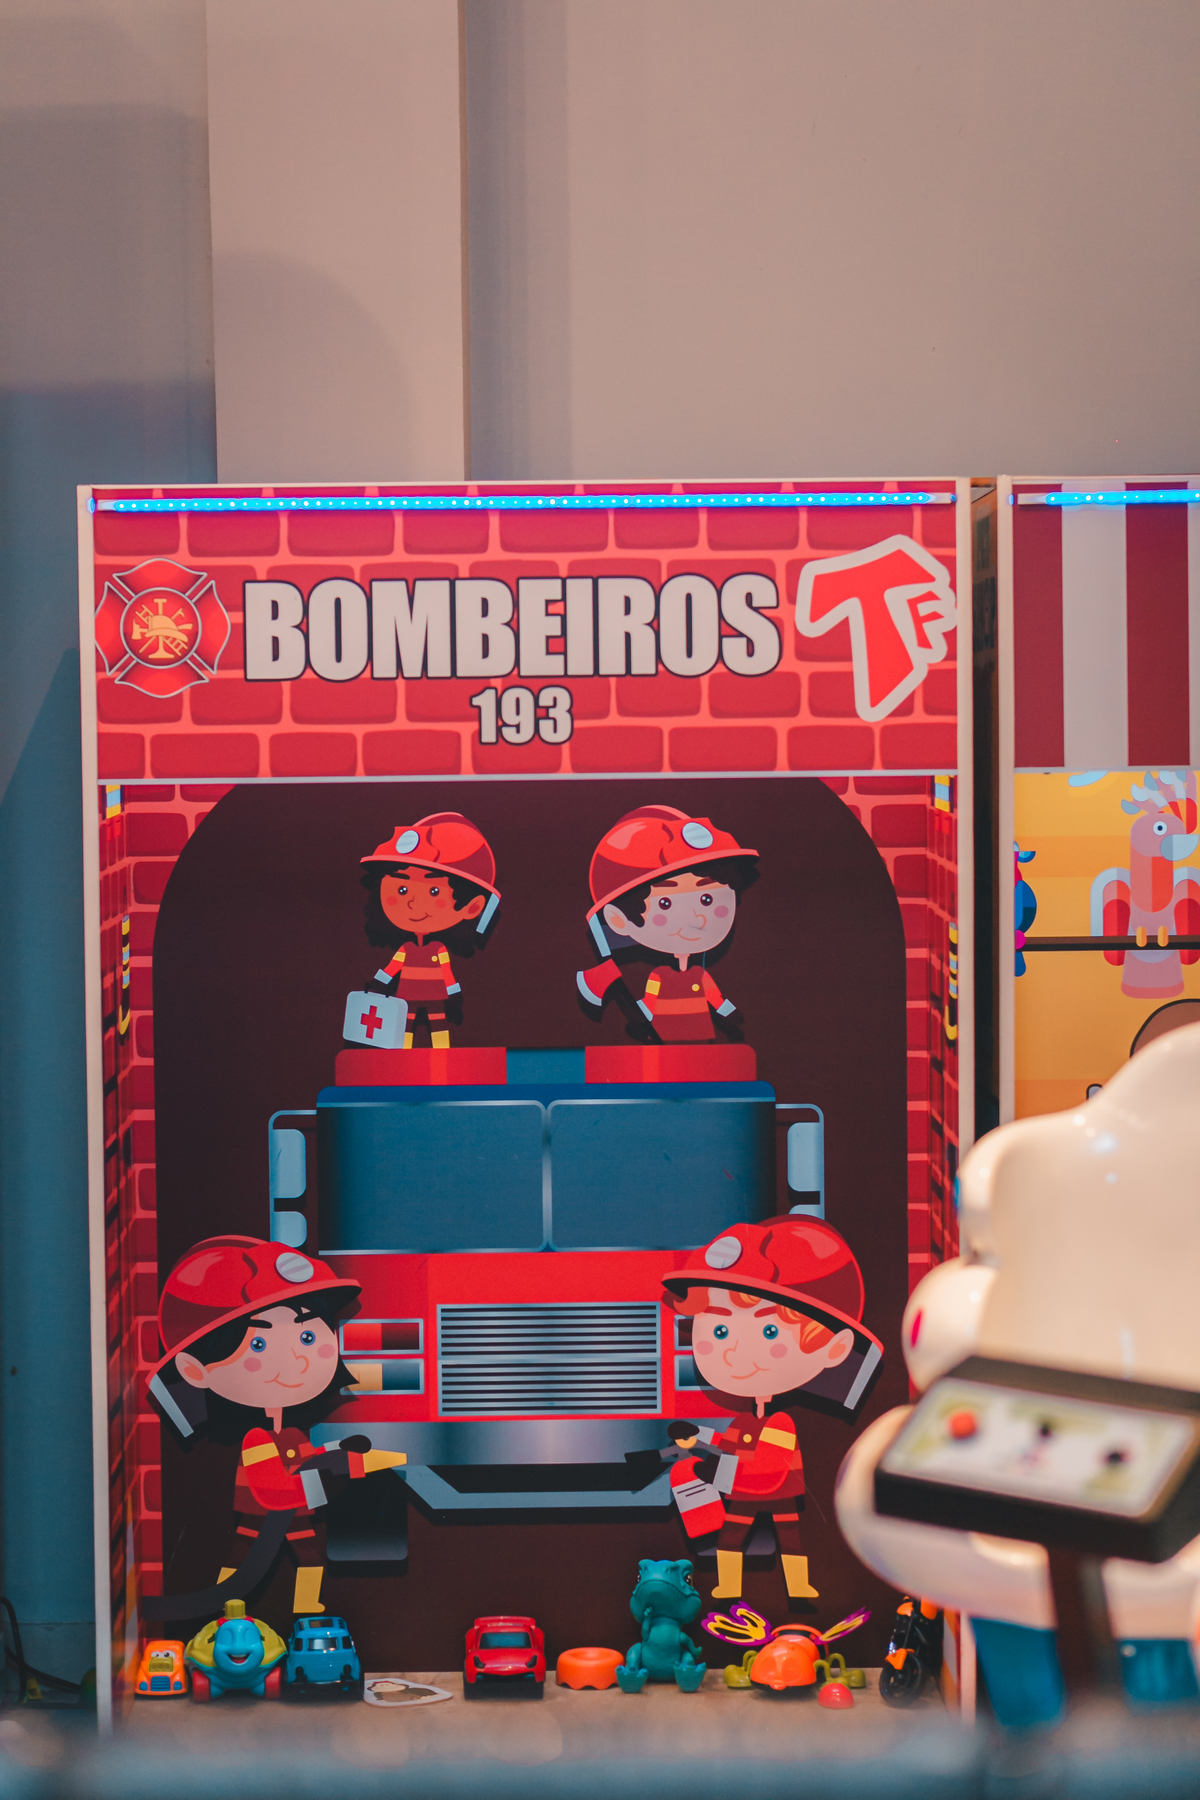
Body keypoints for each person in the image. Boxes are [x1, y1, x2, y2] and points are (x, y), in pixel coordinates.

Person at [147, 1236, 404, 1618]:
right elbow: (272, 1488)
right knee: (246, 1556)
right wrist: (329, 1471)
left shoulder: (292, 1434)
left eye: (307, 1336)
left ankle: (301, 1606)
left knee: (305, 1555)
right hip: (265, 1514)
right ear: (194, 1369)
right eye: (259, 1345)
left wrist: (346, 1459)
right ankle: (229, 1609)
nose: (297, 1361)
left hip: (290, 1512)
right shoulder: (255, 1439)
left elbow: (309, 1460)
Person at [662, 1218, 882, 1604]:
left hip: (776, 1491)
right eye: (718, 1331)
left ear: (834, 1348)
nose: (734, 1352)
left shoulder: (781, 1422)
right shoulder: (746, 1419)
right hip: (746, 1490)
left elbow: (768, 1465)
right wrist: (699, 1439)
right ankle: (730, 1586)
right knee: (734, 1536)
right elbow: (733, 1441)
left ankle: (798, 1586)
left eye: (769, 1331)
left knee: (788, 1536)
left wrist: (715, 1468)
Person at [577, 805, 758, 1041]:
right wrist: (638, 1017)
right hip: (664, 1042)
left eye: (707, 899)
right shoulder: (659, 976)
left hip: (703, 1039)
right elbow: (649, 1002)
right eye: (665, 903)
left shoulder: (700, 976)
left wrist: (728, 1013)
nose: (696, 917)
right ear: (618, 919)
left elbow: (716, 999)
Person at [360, 813, 501, 1048]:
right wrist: (378, 983)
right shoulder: (406, 948)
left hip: (436, 997)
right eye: (402, 889)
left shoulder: (439, 949)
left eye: (434, 892)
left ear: (472, 907)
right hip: (405, 996)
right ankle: (403, 1055)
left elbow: (447, 973)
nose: (412, 903)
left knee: (438, 1026)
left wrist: (454, 994)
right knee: (405, 1026)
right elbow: (393, 967)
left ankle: (442, 1054)